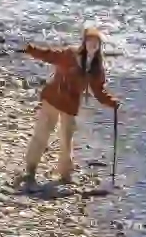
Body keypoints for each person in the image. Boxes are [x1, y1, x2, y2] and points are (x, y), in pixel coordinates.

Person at [19, 24, 119, 186]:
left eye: (96, 43)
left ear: (100, 46)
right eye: (90, 41)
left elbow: (99, 91)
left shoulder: (96, 69)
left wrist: (112, 102)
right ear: (84, 43)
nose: (92, 45)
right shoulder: (69, 54)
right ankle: (30, 171)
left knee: (67, 140)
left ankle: (65, 175)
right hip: (53, 99)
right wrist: (32, 50)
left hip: (70, 105)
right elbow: (49, 55)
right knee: (41, 135)